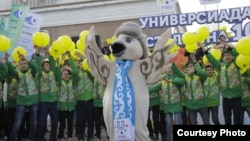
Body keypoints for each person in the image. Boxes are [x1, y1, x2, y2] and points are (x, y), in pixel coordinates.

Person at [7, 52, 39, 141]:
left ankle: (31, 138)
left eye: (25, 63)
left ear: (27, 64)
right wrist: (8, 62)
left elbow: (35, 67)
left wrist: (26, 58)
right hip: (21, 101)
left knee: (34, 123)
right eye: (21, 64)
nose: (23, 65)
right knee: (17, 123)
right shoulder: (17, 74)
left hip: (33, 100)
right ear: (19, 66)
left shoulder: (31, 72)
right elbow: (11, 71)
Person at [206, 48, 242, 125]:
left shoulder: (237, 64)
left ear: (232, 57)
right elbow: (213, 61)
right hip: (225, 97)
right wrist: (205, 51)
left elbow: (238, 55)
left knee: (237, 118)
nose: (227, 57)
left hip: (236, 97)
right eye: (225, 55)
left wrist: (232, 49)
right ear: (223, 58)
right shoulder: (221, 67)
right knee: (227, 119)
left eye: (229, 55)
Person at [149, 66, 185, 141]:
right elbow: (154, 88)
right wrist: (143, 90)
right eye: (166, 69)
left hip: (177, 105)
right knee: (168, 124)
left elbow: (181, 82)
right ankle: (169, 139)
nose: (168, 70)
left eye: (170, 69)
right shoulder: (163, 80)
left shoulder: (177, 78)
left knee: (178, 123)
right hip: (167, 106)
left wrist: (172, 80)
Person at [35, 48, 60, 141]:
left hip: (53, 102)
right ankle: (40, 138)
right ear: (42, 67)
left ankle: (53, 138)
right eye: (46, 64)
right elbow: (37, 66)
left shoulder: (53, 73)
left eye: (48, 64)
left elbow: (54, 66)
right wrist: (37, 55)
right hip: (43, 102)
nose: (48, 66)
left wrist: (51, 56)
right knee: (41, 122)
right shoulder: (40, 74)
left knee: (55, 122)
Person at [73, 52, 95, 141]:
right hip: (80, 101)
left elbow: (91, 64)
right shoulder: (78, 74)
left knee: (90, 120)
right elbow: (74, 69)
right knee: (80, 120)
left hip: (90, 100)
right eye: (81, 65)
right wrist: (71, 58)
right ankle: (81, 136)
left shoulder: (90, 74)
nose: (82, 65)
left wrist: (84, 57)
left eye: (83, 64)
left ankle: (90, 136)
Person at [57, 56, 78, 141]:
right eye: (64, 74)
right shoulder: (59, 82)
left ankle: (69, 136)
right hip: (62, 106)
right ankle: (61, 136)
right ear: (62, 75)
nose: (66, 75)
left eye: (67, 74)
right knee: (62, 123)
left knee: (70, 123)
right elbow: (57, 74)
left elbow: (76, 74)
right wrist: (60, 63)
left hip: (71, 106)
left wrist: (71, 66)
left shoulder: (72, 81)